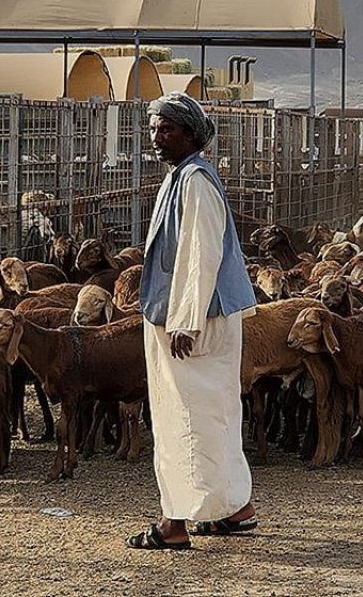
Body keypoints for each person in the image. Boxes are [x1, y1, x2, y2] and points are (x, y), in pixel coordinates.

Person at [125, 93, 260, 551]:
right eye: (153, 129)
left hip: (194, 322)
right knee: (212, 415)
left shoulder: (195, 181)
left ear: (189, 133)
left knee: (183, 417)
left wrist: (186, 319)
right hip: (194, 316)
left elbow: (201, 253)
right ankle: (233, 509)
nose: (156, 138)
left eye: (166, 129)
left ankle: (174, 522)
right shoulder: (181, 177)